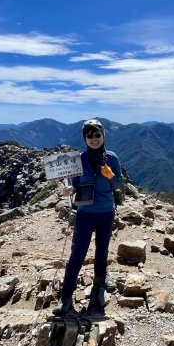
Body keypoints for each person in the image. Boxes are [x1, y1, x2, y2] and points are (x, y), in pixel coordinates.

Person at [54, 119, 123, 315]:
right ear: (85, 138)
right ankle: (66, 298)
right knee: (77, 254)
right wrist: (69, 189)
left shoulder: (112, 158)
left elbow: (119, 184)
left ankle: (99, 286)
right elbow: (75, 184)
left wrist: (110, 176)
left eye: (97, 135)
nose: (94, 139)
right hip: (85, 212)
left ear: (103, 136)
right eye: (90, 135)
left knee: (102, 250)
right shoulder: (79, 159)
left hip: (106, 212)